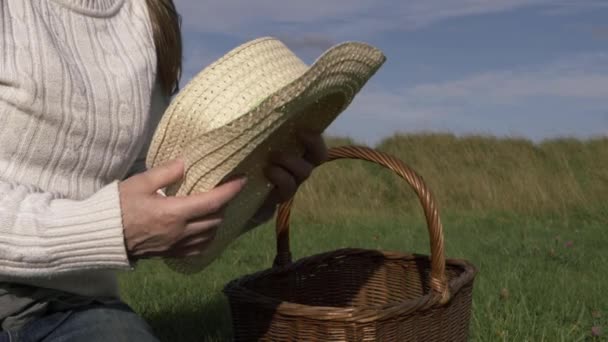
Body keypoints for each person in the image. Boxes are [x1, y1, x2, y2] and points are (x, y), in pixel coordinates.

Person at [0, 0, 327, 340]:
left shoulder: (147, 16)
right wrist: (113, 229)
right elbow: (119, 219)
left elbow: (149, 183)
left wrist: (249, 192)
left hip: (71, 305)